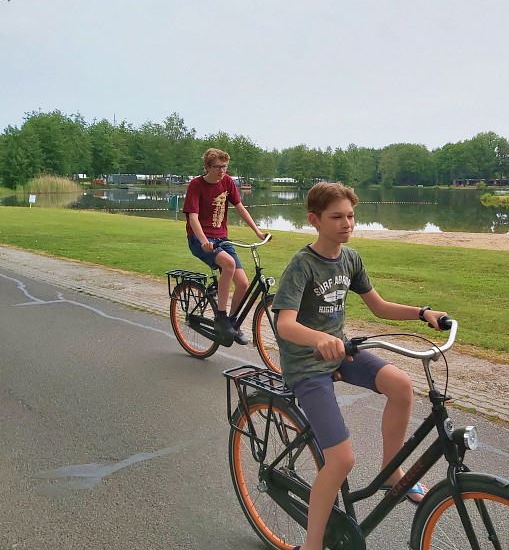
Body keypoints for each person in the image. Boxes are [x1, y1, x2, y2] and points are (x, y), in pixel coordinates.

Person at [272, 182, 447, 550]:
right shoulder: (302, 265)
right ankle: (313, 544)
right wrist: (318, 338)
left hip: (340, 352)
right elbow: (284, 324)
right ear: (314, 220)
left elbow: (379, 306)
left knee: (400, 385)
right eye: (336, 217)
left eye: (350, 215)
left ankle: (390, 472)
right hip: (306, 365)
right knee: (341, 460)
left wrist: (422, 312)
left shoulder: (350, 259)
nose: (346, 223)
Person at [182, 148, 267, 344]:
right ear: (207, 167)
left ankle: (231, 323)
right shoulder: (196, 185)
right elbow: (192, 218)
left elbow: (240, 207)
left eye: (225, 167)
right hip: (199, 239)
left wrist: (258, 232)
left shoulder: (228, 181)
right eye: (217, 167)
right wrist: (203, 240)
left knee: (244, 283)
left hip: (222, 239)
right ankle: (221, 317)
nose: (222, 171)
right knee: (228, 264)